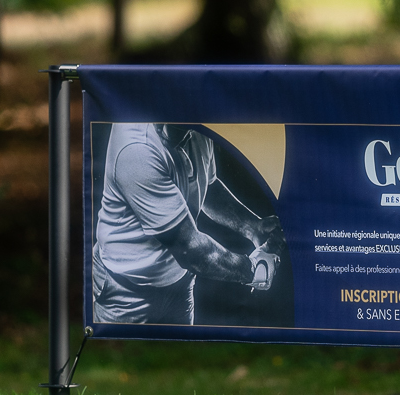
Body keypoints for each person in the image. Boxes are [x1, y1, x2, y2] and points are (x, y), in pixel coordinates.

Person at [92, 123, 279, 324]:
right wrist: (254, 270)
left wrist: (253, 227)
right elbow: (191, 250)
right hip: (126, 293)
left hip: (179, 284)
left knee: (181, 346)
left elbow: (207, 187)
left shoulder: (197, 127)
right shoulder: (137, 148)